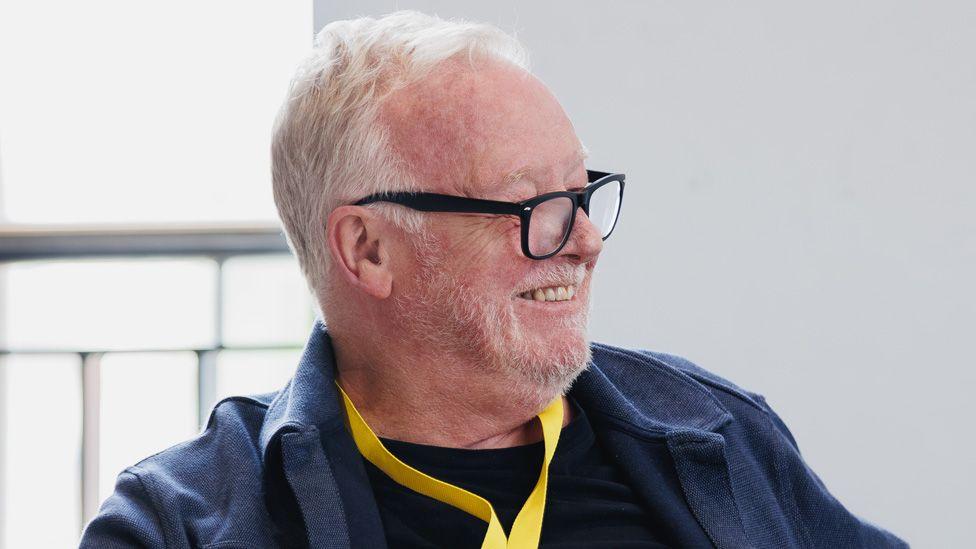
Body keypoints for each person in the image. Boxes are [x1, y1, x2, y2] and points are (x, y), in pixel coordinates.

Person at [80, 10, 907, 549]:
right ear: (367, 248)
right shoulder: (179, 523)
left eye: (582, 194)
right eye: (533, 205)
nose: (584, 239)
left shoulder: (721, 434)